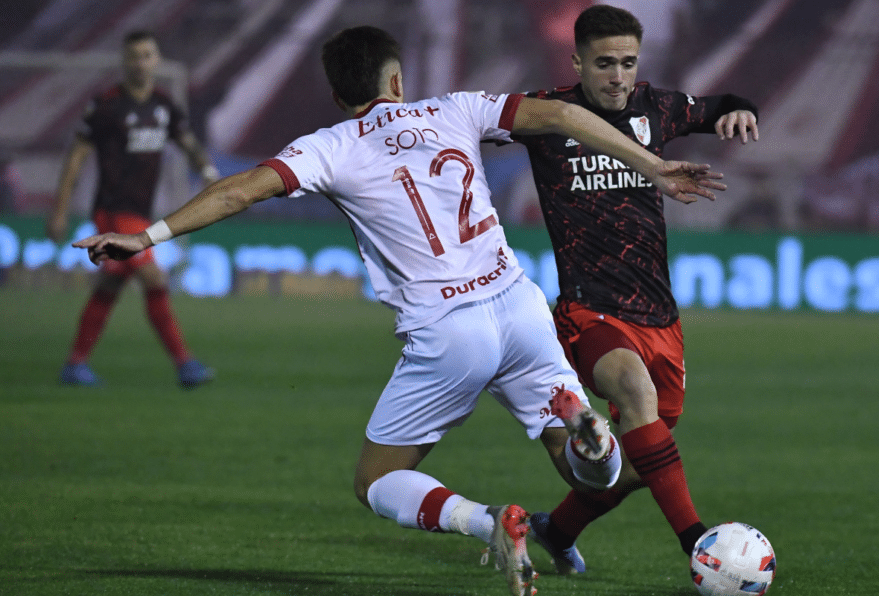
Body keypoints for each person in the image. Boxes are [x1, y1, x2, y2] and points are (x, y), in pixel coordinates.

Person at [73, 26, 726, 596]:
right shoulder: (457, 109)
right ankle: (588, 427)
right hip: (519, 307)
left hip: (449, 331)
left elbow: (239, 191)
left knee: (377, 480)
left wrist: (147, 236)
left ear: (337, 95)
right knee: (584, 467)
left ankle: (488, 521)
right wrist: (653, 166)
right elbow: (561, 117)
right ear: (397, 78)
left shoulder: (328, 145)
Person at [512, 5, 760, 574]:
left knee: (640, 465)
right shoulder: (550, 115)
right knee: (634, 391)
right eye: (604, 64)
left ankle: (557, 528)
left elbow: (721, 104)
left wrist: (740, 110)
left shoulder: (655, 108)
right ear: (577, 62)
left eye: (627, 62)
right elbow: (473, 121)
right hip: (590, 311)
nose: (618, 76)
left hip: (660, 319)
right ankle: (699, 547)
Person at [47, 30, 219, 389]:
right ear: (124, 61)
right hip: (112, 213)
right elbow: (76, 157)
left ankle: (75, 364)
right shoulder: (106, 105)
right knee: (154, 279)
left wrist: (206, 171)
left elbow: (187, 142)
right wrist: (60, 209)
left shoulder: (163, 105)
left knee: (110, 284)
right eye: (134, 56)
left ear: (155, 60)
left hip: (140, 213)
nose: (140, 62)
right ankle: (185, 364)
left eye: (147, 55)